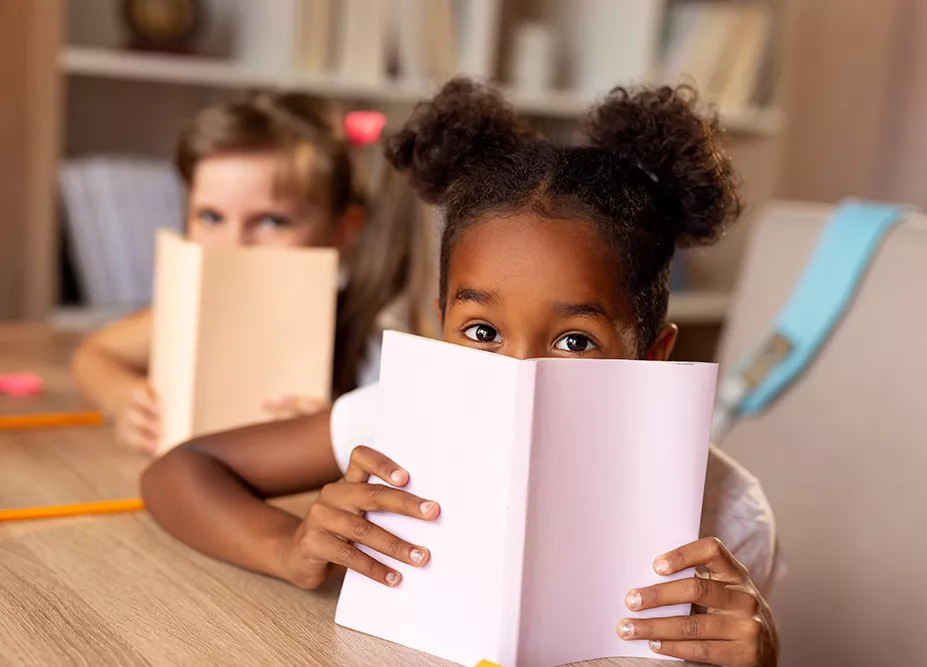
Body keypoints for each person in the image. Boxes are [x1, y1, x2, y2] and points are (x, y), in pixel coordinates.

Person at [142, 79, 780, 666]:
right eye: (482, 333)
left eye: (574, 341)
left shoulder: (727, 518)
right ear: (440, 322)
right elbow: (180, 471)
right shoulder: (392, 421)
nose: (519, 374)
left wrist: (759, 657)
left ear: (653, 356)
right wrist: (288, 551)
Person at [71, 91, 438, 453]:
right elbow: (94, 354)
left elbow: (416, 444)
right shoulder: (196, 312)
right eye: (211, 217)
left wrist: (338, 431)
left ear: (345, 229)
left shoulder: (372, 338)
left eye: (271, 221)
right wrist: (122, 398)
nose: (233, 244)